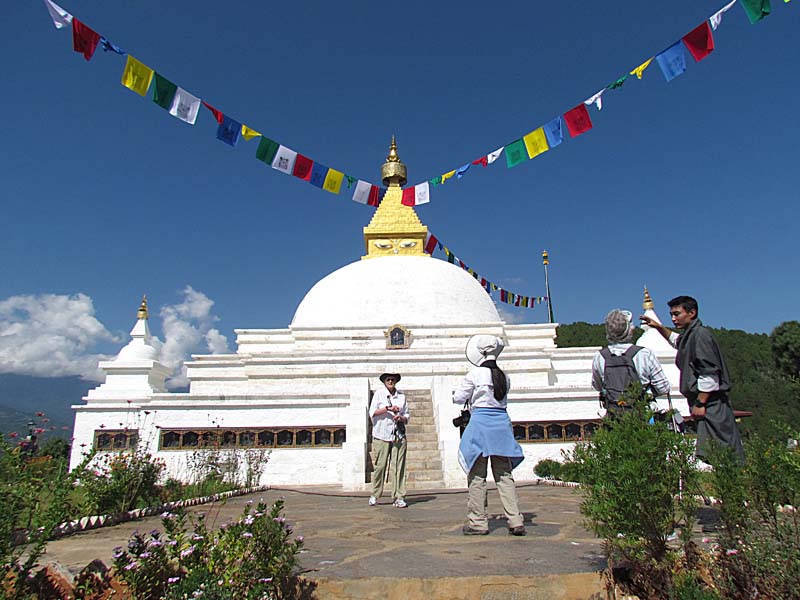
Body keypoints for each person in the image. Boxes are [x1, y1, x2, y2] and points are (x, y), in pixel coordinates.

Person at [641, 296, 745, 463]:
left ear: (692, 312)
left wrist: (700, 402)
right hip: (705, 403)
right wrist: (659, 328)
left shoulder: (700, 336)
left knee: (724, 451)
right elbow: (677, 341)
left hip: (711, 403)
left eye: (677, 314)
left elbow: (709, 373)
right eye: (671, 315)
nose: (673, 319)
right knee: (714, 451)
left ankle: (733, 484)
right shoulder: (691, 335)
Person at [453, 335, 526, 536]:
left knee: (477, 475)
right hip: (502, 425)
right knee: (504, 474)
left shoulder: (475, 375)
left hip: (481, 425)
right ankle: (515, 520)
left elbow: (458, 397)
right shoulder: (504, 376)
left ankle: (478, 521)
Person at [591, 309, 671, 416]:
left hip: (614, 414)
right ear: (630, 329)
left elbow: (597, 386)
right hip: (643, 414)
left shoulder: (600, 357)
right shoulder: (644, 354)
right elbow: (663, 387)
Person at [368, 372, 410, 508]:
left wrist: (400, 417)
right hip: (381, 434)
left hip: (398, 435)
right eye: (388, 379)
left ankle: (399, 496)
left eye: (393, 379)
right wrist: (387, 409)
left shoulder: (401, 397)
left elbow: (407, 415)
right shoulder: (379, 394)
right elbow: (372, 412)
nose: (390, 381)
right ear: (384, 381)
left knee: (398, 467)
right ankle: (375, 494)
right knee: (380, 466)